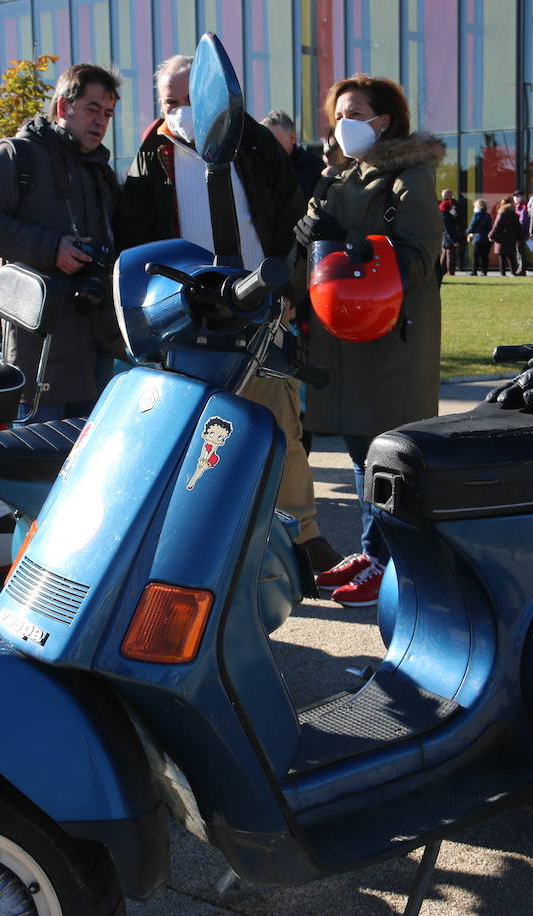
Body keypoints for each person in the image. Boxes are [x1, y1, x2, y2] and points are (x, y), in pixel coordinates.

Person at [116, 55, 341, 575]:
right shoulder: (151, 157)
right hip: (188, 314)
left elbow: (290, 216)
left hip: (259, 302)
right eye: (171, 103)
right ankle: (195, 545)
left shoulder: (255, 144)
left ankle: (303, 535)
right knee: (192, 433)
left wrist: (289, 288)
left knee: (278, 422)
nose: (182, 113)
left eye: (191, 100)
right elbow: (135, 239)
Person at [294, 73, 443, 607]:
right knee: (362, 453)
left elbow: (419, 257)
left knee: (389, 456)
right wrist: (316, 230)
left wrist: (350, 243)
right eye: (338, 114)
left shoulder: (409, 177)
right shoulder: (338, 176)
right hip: (346, 335)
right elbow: (307, 244)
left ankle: (394, 565)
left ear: (384, 121)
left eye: (355, 114)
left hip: (391, 336)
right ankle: (372, 552)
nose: (343, 124)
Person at [0, 62, 122, 423]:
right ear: (64, 107)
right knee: (37, 460)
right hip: (39, 344)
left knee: (85, 461)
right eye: (92, 109)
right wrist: (53, 249)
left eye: (108, 113)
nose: (101, 121)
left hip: (94, 339)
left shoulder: (99, 169)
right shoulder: (17, 155)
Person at [260, 109, 326, 199]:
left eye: (276, 143)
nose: (270, 148)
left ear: (292, 138)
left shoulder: (315, 168)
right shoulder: (257, 168)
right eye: (266, 143)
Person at [490, 196, 523, 275]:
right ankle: (513, 272)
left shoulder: (501, 214)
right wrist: (519, 237)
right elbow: (518, 227)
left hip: (501, 238)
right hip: (512, 238)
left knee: (502, 257)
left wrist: (491, 235)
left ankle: (503, 273)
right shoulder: (514, 215)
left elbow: (496, 226)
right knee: (511, 256)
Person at [438, 188, 461, 276]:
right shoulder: (447, 217)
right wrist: (454, 240)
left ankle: (442, 271)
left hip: (444, 236)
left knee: (444, 255)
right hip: (449, 237)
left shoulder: (442, 213)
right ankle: (450, 272)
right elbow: (449, 229)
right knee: (451, 256)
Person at [466, 198, 491, 275]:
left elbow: (473, 225)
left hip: (478, 237)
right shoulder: (488, 215)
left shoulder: (477, 214)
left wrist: (467, 232)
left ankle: (474, 271)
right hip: (486, 238)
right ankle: (484, 271)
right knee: (485, 256)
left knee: (476, 255)